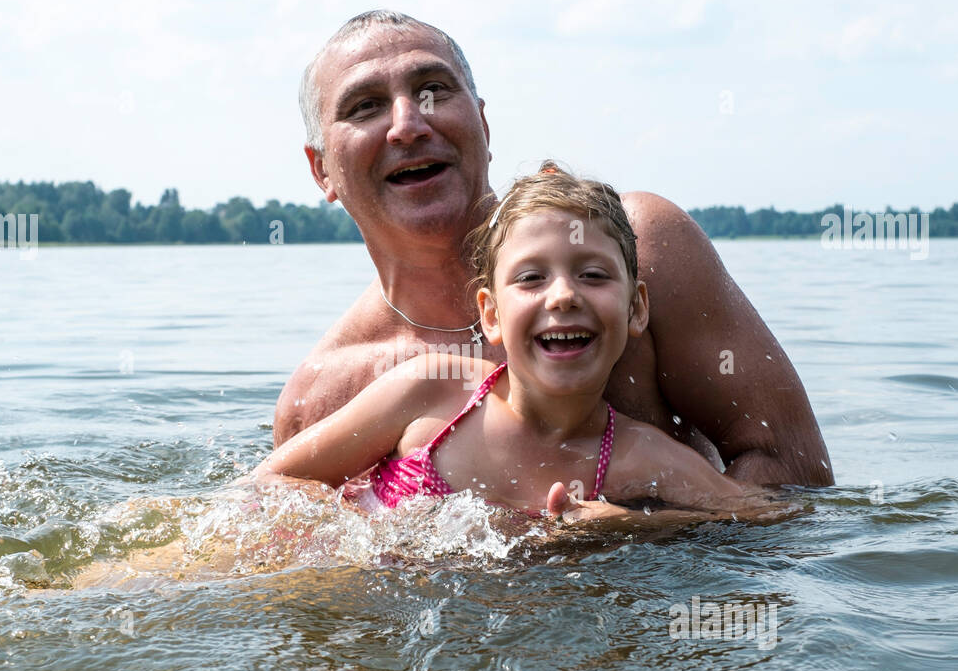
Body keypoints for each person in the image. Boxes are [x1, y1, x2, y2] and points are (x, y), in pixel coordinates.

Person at [275, 10, 833, 487]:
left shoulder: (637, 248)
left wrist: (645, 528)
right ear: (322, 169)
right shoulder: (325, 396)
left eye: (433, 90)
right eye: (365, 106)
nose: (408, 124)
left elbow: (797, 471)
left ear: (484, 125)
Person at [255, 163, 785, 522]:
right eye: (531, 279)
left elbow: (770, 516)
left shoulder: (644, 457)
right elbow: (268, 482)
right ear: (490, 313)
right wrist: (354, 536)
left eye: (594, 276)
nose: (563, 297)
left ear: (636, 308)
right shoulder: (430, 392)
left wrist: (637, 527)